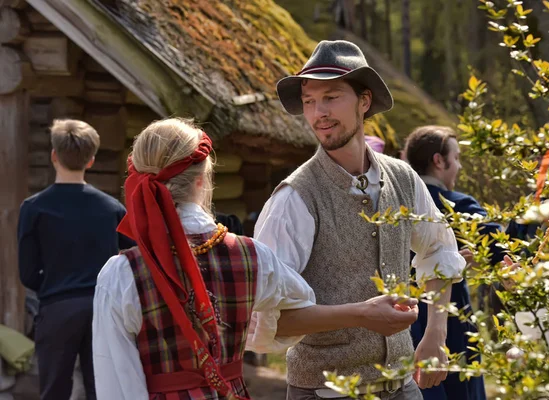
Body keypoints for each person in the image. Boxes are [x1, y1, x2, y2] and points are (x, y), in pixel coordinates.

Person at [92, 118, 420, 400]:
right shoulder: (252, 257)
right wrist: (254, 339)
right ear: (201, 180)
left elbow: (116, 382)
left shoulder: (122, 274)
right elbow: (297, 306)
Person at [253, 40, 466, 399]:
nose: (318, 112)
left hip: (403, 387)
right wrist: (359, 314)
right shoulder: (294, 199)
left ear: (364, 101)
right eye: (309, 101)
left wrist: (435, 336)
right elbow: (271, 317)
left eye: (332, 97)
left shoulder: (403, 178)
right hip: (325, 391)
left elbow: (439, 252)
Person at [17, 119, 135, 400]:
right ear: (92, 160)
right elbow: (133, 258)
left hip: (57, 307)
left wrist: (53, 286)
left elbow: (28, 273)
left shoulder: (33, 208)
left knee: (54, 390)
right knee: (102, 390)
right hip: (103, 309)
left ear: (53, 156)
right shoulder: (112, 209)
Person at [404, 125, 506, 400]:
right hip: (450, 322)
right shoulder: (459, 206)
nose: (458, 166)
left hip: (399, 319)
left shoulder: (395, 205)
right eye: (457, 157)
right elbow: (505, 247)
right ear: (439, 160)